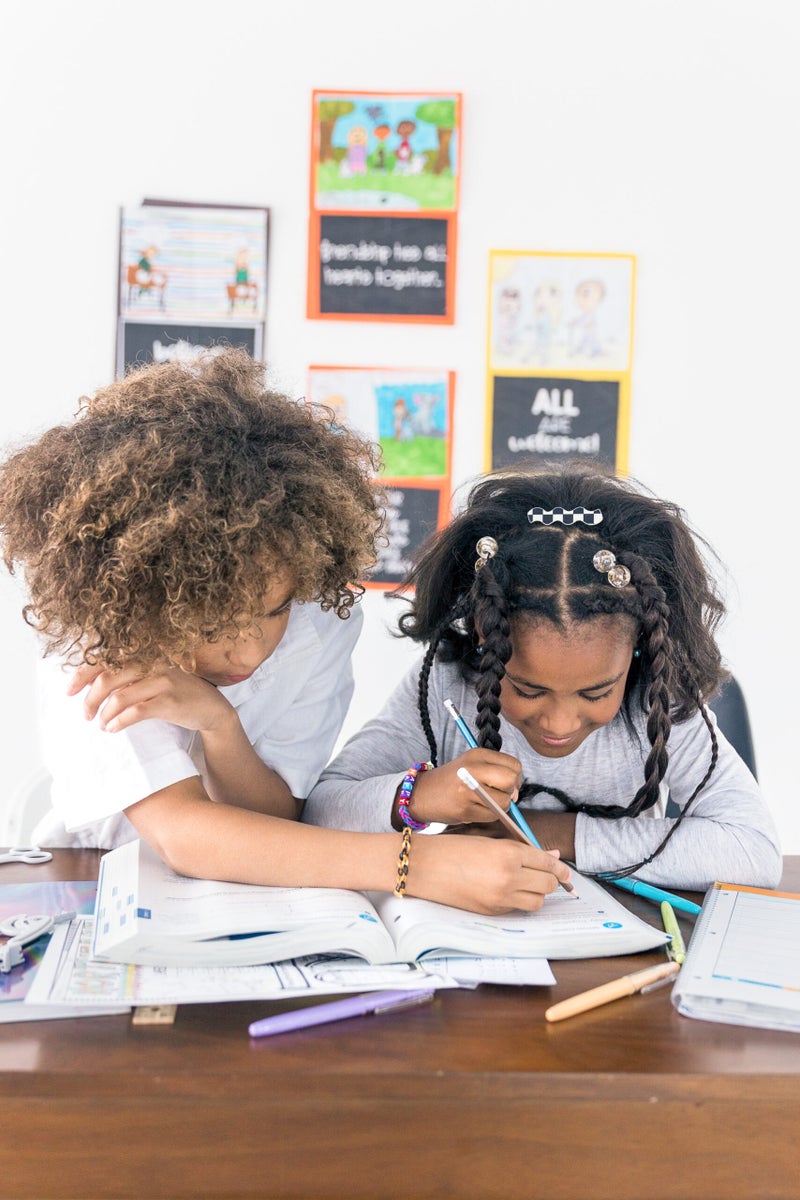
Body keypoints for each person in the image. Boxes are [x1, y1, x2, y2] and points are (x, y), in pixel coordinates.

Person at [0, 349, 571, 912]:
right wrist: (412, 865)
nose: (250, 649)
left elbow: (275, 818)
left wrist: (220, 725)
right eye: (214, 625)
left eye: (272, 611)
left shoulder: (316, 623)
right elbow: (184, 835)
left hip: (252, 893)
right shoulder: (98, 641)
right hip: (99, 886)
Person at [304, 460, 782, 892]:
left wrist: (551, 831)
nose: (558, 723)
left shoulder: (657, 696)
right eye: (529, 689)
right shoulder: (448, 680)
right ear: (484, 639)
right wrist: (421, 796)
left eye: (596, 692)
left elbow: (753, 850)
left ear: (636, 650)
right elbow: (322, 810)